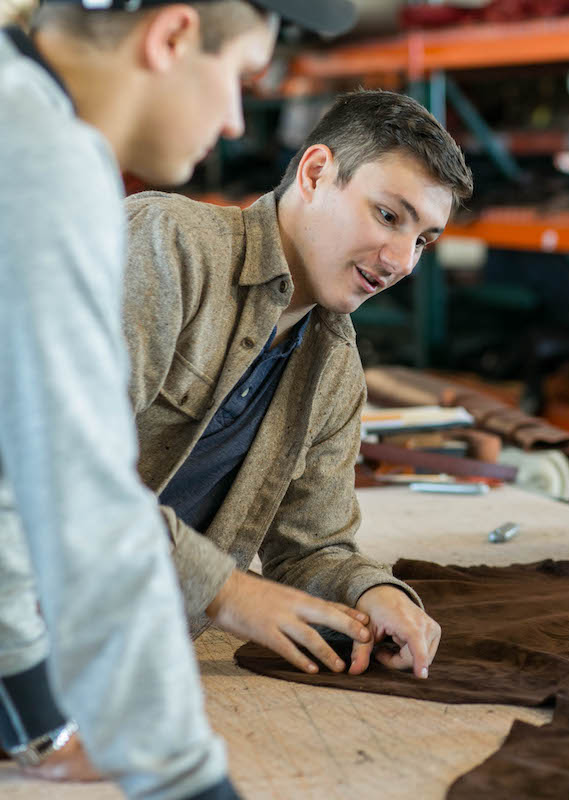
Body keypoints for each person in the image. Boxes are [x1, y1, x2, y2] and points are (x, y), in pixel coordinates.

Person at [0, 1, 354, 797]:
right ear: (171, 36)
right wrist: (188, 780)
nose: (235, 122)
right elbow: (78, 498)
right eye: (237, 78)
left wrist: (32, 721)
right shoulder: (41, 161)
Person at [123, 88, 472, 678]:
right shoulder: (169, 247)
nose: (401, 261)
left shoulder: (335, 370)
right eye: (388, 215)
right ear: (315, 173)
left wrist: (370, 594)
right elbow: (56, 473)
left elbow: (311, 545)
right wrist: (227, 592)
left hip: (127, 651)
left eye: (423, 240)